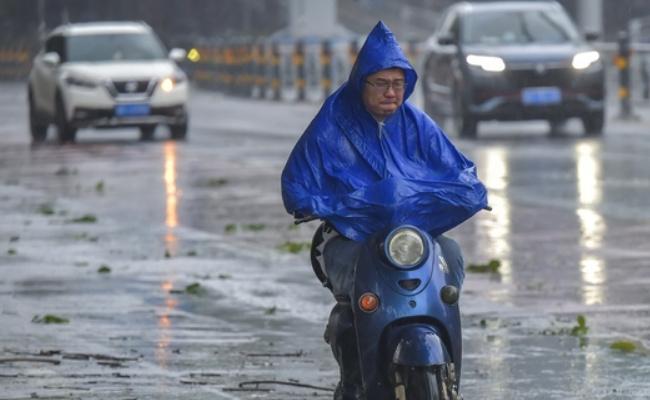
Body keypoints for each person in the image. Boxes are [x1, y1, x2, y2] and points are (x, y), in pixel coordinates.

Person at [281, 21, 488, 400]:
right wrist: (336, 205)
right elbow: (297, 183)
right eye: (381, 83)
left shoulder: (416, 123)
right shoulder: (333, 123)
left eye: (398, 83)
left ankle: (442, 356)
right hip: (349, 237)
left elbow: (457, 169)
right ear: (362, 82)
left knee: (452, 255)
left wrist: (463, 192)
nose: (392, 92)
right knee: (358, 284)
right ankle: (354, 375)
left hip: (411, 237)